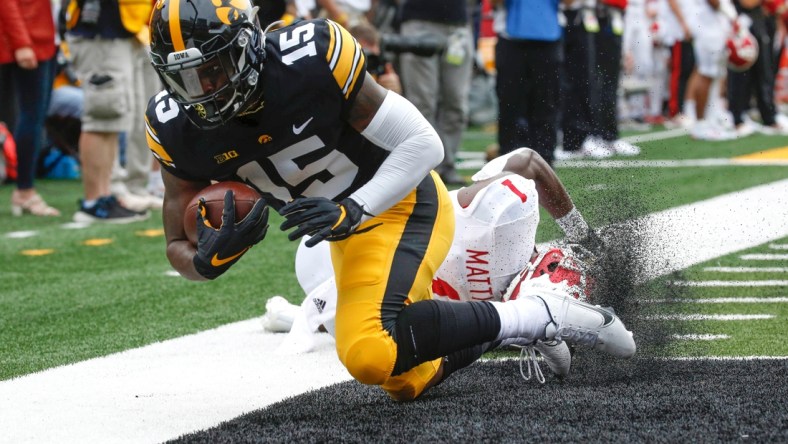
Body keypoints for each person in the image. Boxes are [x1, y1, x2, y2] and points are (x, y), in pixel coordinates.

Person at [146, 0, 635, 402]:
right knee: (405, 377)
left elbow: (424, 145)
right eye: (185, 78)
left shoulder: (309, 61)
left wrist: (354, 207)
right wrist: (206, 262)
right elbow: (175, 244)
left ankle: (541, 313)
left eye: (213, 69)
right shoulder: (174, 126)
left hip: (396, 203)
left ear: (248, 47)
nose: (203, 91)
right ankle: (519, 326)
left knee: (368, 354)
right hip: (332, 231)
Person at [265, 147, 603, 383]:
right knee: (381, 340)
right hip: (344, 242)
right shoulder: (504, 222)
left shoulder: (510, 226)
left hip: (355, 249)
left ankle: (295, 316)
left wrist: (582, 234)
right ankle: (300, 316)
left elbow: (529, 162)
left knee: (383, 337)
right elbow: (526, 163)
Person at [64, 0, 151, 223]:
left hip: (117, 32)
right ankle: (93, 202)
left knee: (111, 121)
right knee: (100, 118)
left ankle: (105, 196)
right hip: (100, 33)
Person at [398, 0, 474, 185]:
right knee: (422, 103)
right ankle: (424, 168)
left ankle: (447, 165)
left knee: (457, 103)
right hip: (419, 21)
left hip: (458, 27)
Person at [0, 0, 60, 216]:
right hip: (27, 38)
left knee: (35, 116)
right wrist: (21, 42)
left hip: (46, 38)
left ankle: (25, 189)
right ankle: (24, 190)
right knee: (31, 116)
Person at [492, 0, 565, 164]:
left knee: (547, 104)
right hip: (510, 39)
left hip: (548, 39)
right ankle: (508, 162)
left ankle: (545, 163)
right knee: (510, 105)